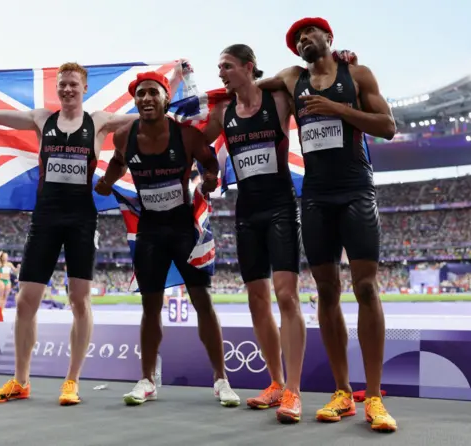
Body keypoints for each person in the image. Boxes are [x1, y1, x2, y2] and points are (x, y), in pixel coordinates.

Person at [0, 61, 185, 406]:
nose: (67, 89)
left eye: (73, 84)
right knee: (26, 301)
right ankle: (20, 381)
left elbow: (149, 112)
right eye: (63, 85)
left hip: (81, 219)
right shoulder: (42, 119)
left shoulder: (98, 122)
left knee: (80, 301)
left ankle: (71, 381)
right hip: (45, 218)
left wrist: (172, 79)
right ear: (58, 89)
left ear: (84, 88)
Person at [257, 17, 397, 432]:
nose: (302, 40)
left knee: (366, 286)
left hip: (356, 189)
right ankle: (341, 392)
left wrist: (336, 108)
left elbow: (388, 127)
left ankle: (373, 397)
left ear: (329, 39)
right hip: (315, 195)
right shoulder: (290, 78)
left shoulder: (357, 74)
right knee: (325, 290)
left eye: (308, 33)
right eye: (296, 39)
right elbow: (249, 86)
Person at [95, 71, 240, 407]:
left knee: (202, 301)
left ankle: (221, 381)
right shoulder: (124, 135)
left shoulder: (185, 135)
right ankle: (146, 380)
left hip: (183, 228)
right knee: (150, 307)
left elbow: (208, 162)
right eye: (140, 94)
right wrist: (106, 181)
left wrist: (208, 179)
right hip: (150, 231)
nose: (146, 99)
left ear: (164, 99)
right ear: (135, 100)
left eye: (153, 93)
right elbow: (118, 163)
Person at [197, 44, 305, 423]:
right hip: (247, 210)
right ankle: (275, 383)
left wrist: (342, 61)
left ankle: (294, 390)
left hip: (280, 206)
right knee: (257, 298)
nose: (221, 73)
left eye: (226, 66)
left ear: (248, 67)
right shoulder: (223, 111)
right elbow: (196, 141)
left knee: (286, 295)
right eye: (218, 67)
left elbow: (309, 80)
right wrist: (209, 172)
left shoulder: (277, 99)